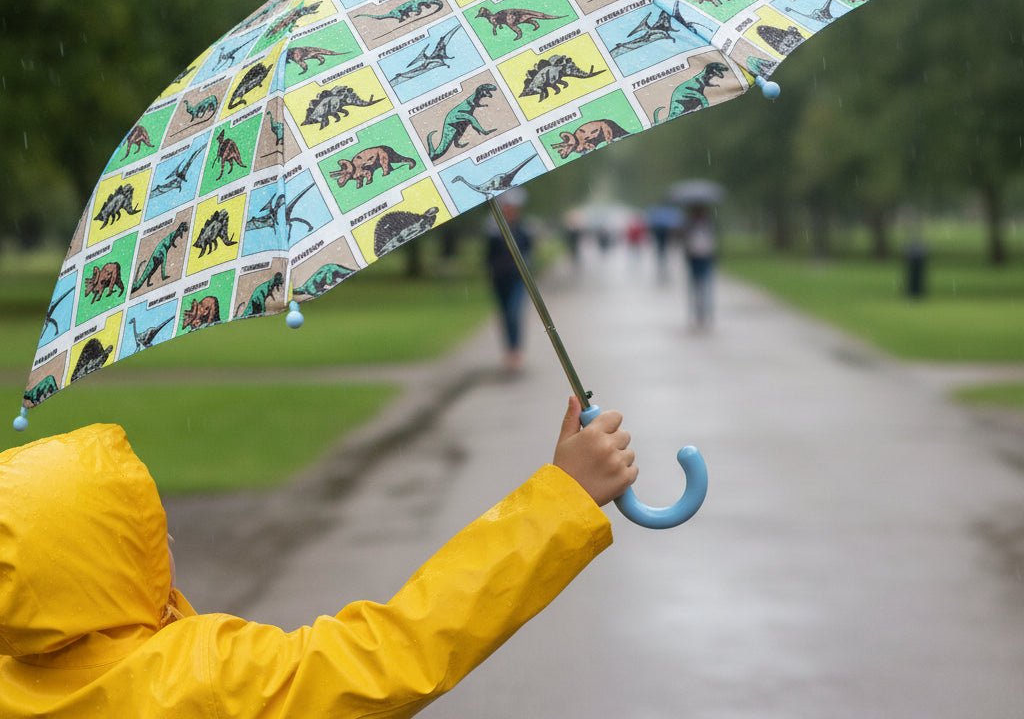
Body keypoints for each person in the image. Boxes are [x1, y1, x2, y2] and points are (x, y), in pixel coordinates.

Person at [0, 397, 636, 718]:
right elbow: (398, 652)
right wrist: (563, 499)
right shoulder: (201, 680)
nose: (164, 542)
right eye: (140, 531)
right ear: (102, 562)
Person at [484, 186, 533, 372]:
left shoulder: (523, 229)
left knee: (514, 312)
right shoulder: (493, 231)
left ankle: (516, 350)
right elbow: (488, 256)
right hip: (499, 278)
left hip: (518, 278)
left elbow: (529, 250)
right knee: (505, 315)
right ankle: (509, 349)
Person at [680, 203, 717, 329]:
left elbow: (713, 240)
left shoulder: (709, 224)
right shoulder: (689, 225)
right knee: (696, 286)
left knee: (705, 285)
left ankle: (706, 311)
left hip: (706, 257)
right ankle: (697, 312)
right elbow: (684, 240)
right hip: (694, 257)